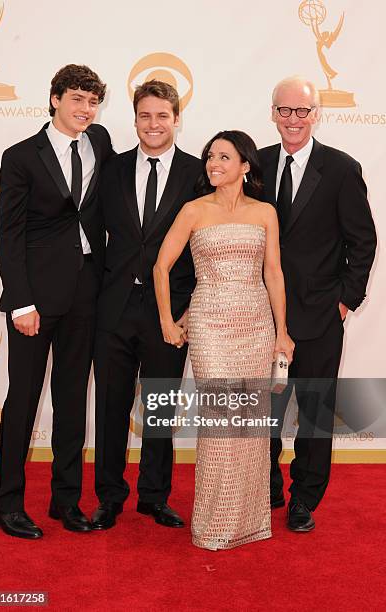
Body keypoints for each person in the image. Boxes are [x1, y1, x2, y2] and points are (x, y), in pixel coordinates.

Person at [154, 130, 294, 550]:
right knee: (219, 426)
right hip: (211, 323)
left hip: (255, 324)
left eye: (223, 157)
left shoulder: (265, 212)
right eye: (209, 157)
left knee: (250, 426)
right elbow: (162, 267)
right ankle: (213, 525)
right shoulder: (194, 210)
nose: (213, 164)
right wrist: (167, 320)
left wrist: (281, 331)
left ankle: (248, 522)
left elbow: (273, 273)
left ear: (245, 166)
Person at [0, 64, 114, 539]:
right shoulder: (20, 156)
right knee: (22, 402)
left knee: (70, 401)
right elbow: (9, 233)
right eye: (78, 99)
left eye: (93, 101)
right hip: (35, 299)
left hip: (87, 292)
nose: (86, 109)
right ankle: (6, 504)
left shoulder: (99, 142)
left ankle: (66, 501)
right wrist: (20, 302)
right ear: (56, 99)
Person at [258, 76, 377, 532]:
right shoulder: (257, 166)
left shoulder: (342, 169)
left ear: (316, 115)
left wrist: (345, 301)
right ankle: (265, 485)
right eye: (284, 110)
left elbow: (362, 241)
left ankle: (304, 498)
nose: (292, 119)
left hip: (321, 316)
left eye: (301, 111)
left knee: (313, 412)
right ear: (272, 113)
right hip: (263, 315)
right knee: (262, 411)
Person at [91, 80, 202, 531]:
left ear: (177, 118)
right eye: (144, 116)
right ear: (134, 119)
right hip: (114, 307)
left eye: (162, 115)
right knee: (111, 407)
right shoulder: (110, 169)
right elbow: (95, 238)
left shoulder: (198, 173)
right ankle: (109, 497)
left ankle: (154, 496)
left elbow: (204, 247)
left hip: (170, 311)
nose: (153, 124)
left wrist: (190, 308)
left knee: (160, 406)